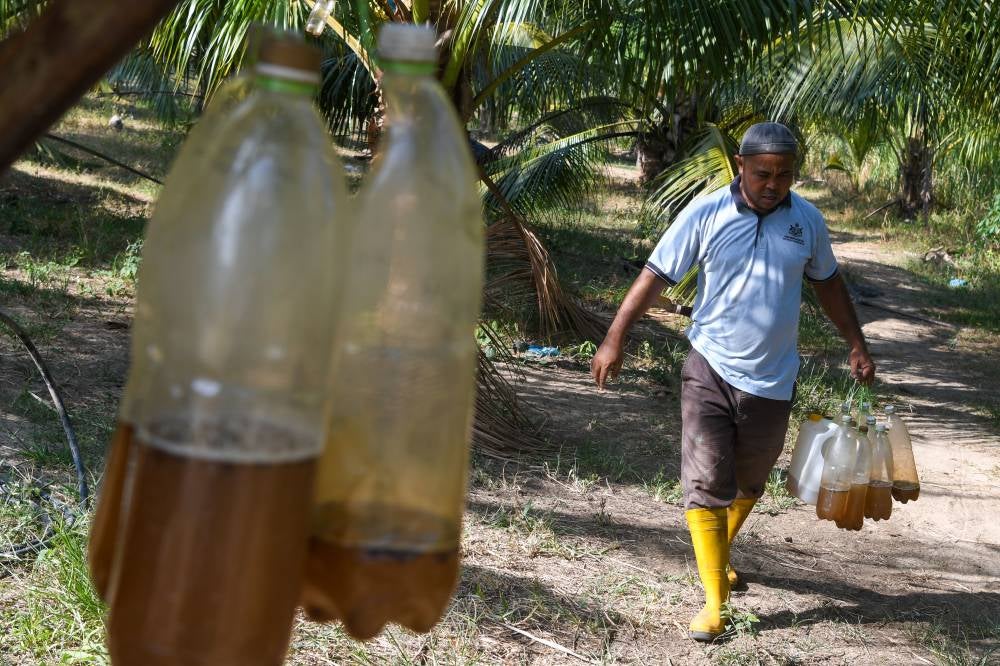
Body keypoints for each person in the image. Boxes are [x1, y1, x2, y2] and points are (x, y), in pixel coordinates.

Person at [591, 122, 875, 642]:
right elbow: (654, 276)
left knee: (749, 483)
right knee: (706, 484)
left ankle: (718, 557)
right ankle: (713, 602)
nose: (773, 184)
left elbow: (829, 285)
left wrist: (855, 342)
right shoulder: (705, 214)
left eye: (784, 175)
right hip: (711, 366)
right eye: (763, 173)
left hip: (773, 379)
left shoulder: (807, 222)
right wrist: (614, 337)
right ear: (741, 165)